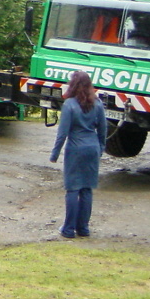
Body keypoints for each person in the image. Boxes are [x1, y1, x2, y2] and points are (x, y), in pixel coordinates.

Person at [49, 71, 107, 239]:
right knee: (87, 189)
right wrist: (100, 148)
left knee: (73, 189)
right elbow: (103, 130)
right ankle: (83, 228)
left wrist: (55, 153)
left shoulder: (69, 105)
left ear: (72, 85)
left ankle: (68, 229)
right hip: (92, 148)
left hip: (75, 149)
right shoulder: (97, 104)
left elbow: (63, 133)